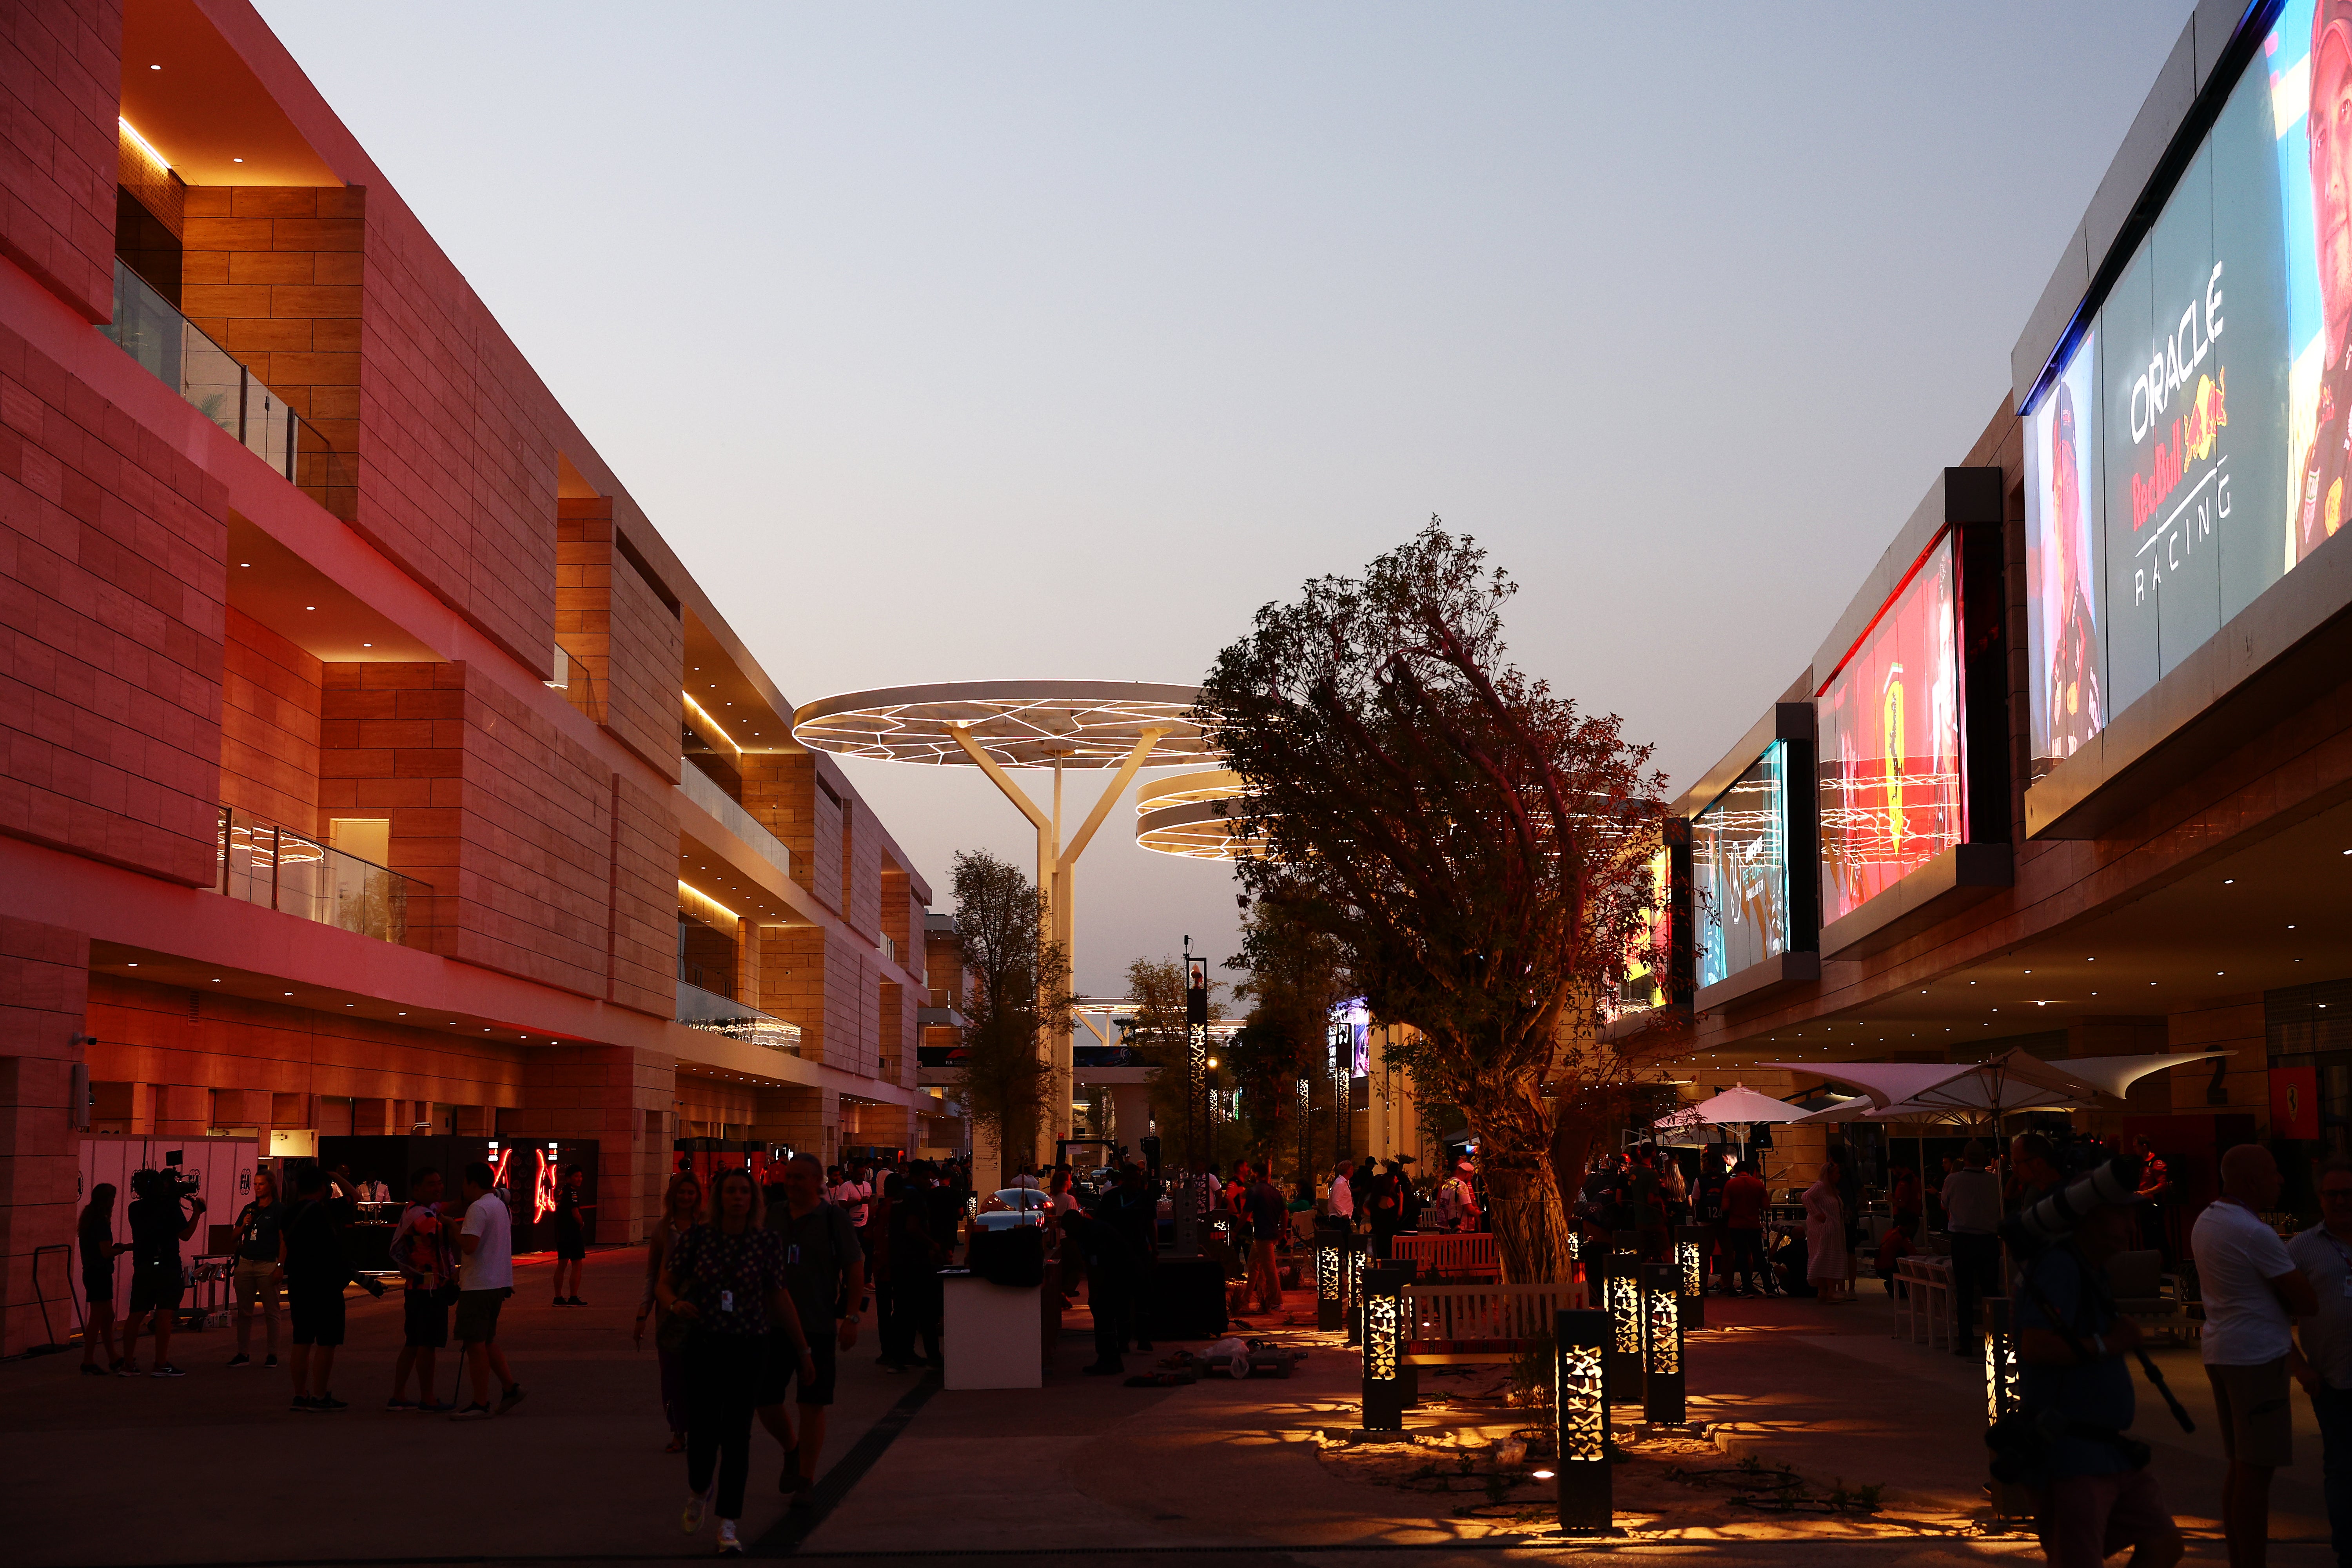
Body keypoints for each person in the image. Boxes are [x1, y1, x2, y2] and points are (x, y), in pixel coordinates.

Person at [2014, 1189, 2182, 1568]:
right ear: (2089, 1219)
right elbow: (2036, 1345)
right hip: (2072, 1452)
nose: (2131, 1226)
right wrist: (2110, 1343)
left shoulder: (2093, 1268)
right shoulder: (2060, 1266)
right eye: (2120, 1215)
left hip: (2110, 1450)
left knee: (2164, 1543)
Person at [660, 1166, 816, 1558]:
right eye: (730, 1191)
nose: (737, 1198)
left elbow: (779, 1297)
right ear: (719, 1197)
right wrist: (674, 1303)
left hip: (749, 1346)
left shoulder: (765, 1242)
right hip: (705, 1345)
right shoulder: (698, 1238)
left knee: (737, 1438)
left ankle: (728, 1525)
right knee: (704, 1431)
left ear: (754, 1200)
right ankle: (699, 1489)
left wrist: (803, 1349)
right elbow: (666, 1282)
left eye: (744, 1192)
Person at [2194, 1143, 2318, 1568]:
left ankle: (2240, 1560)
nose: (2281, 1179)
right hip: (2256, 1358)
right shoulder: (2254, 1232)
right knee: (2257, 1472)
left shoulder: (2207, 1220)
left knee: (2240, 1466)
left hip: (2221, 1348)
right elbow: (2307, 1299)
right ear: (2251, 1182)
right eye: (2272, 1172)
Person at [761, 1152, 866, 1503]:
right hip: (773, 1323)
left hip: (818, 1324)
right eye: (788, 1177)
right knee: (765, 1397)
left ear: (818, 1181)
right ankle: (791, 1447)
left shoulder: (833, 1218)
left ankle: (805, 1477)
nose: (791, 1183)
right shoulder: (773, 1214)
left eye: (800, 1178)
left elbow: (854, 1268)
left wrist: (851, 1317)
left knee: (812, 1403)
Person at [282, 1162, 385, 1412]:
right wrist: (335, 1175)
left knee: (302, 1340)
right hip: (326, 1284)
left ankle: (300, 1395)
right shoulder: (325, 1210)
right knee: (327, 1341)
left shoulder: (288, 1213)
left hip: (299, 1282)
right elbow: (355, 1196)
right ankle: (319, 1395)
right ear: (323, 1188)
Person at [2291, 1155, 2352, 1568]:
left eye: (2349, 1193)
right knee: (2344, 1469)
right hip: (2334, 1379)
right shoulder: (2302, 1248)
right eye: (2333, 1194)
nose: (2342, 1201)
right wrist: (2301, 1368)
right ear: (2320, 1198)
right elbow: (2272, 1314)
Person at [452, 1160, 524, 1421]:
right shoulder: (499, 1206)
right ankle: (510, 1388)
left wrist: (452, 1228)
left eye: (464, 1183)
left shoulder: (478, 1208)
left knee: (475, 1344)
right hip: (497, 1282)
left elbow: (470, 1245)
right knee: (487, 1340)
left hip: (479, 1286)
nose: (463, 1188)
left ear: (473, 1183)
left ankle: (480, 1402)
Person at [637, 1172, 704, 1450]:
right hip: (669, 1311)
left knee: (700, 1373)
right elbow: (652, 1274)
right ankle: (678, 1431)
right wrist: (643, 1311)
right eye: (682, 1192)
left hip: (701, 1308)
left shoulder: (707, 1227)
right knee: (672, 1375)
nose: (686, 1197)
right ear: (673, 1196)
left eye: (691, 1193)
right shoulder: (662, 1230)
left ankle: (701, 1428)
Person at [119, 1164, 204, 1378]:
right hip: (166, 1266)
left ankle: (128, 1364)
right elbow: (185, 1235)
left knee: (135, 1316)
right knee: (165, 1316)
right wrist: (197, 1214)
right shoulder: (170, 1208)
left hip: (143, 1266)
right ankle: (160, 1364)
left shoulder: (134, 1209)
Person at [389, 1166, 459, 1412]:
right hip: (428, 1288)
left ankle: (398, 1396)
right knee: (427, 1345)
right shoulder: (422, 1217)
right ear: (417, 1189)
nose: (438, 1187)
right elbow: (451, 1235)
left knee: (413, 1342)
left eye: (439, 1183)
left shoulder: (421, 1209)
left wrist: (462, 1202)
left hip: (418, 1287)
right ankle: (428, 1397)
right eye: (431, 1184)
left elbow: (444, 1207)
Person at [1944, 1142, 2004, 1358]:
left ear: (1964, 1157)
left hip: (1963, 1241)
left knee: (1965, 1292)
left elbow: (1945, 1203)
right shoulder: (1994, 1182)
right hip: (1988, 1241)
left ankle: (1966, 1341)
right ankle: (1996, 1339)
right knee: (1991, 1291)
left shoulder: (1953, 1180)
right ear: (1986, 1159)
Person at [1065, 1202, 1134, 1376]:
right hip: (1114, 1272)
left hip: (1116, 1273)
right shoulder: (1088, 1231)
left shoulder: (1092, 1234)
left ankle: (1110, 1358)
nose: (1068, 1235)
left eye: (1068, 1230)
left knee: (1104, 1313)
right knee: (1105, 1314)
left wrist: (1096, 1292)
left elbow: (1098, 1265)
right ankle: (1109, 1357)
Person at [227, 1167, 286, 1369]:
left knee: (272, 1312)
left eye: (261, 1184)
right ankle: (243, 1353)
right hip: (246, 1263)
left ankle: (272, 1354)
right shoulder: (249, 1209)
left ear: (271, 1185)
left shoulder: (279, 1210)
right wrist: (244, 1224)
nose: (257, 1188)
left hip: (267, 1264)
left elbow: (283, 1241)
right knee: (245, 1313)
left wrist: (280, 1266)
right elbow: (234, 1237)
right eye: (255, 1184)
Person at [77, 1183, 129, 1376]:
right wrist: (124, 1249)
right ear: (108, 1200)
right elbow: (106, 1252)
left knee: (108, 1316)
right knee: (98, 1318)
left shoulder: (90, 1219)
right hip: (99, 1273)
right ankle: (88, 1361)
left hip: (93, 1272)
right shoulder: (101, 1222)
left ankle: (113, 1358)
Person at [1803, 1162, 1849, 1303]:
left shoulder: (1830, 1190)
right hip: (1823, 1228)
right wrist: (1818, 1215)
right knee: (1825, 1256)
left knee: (1824, 1257)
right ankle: (1829, 1291)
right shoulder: (1820, 1186)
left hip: (1830, 1227)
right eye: (1836, 1173)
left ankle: (1824, 1292)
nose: (1839, 1176)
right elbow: (1806, 1197)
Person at [1243, 1165, 1286, 1315]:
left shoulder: (1254, 1191)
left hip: (1263, 1235)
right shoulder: (1275, 1192)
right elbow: (1285, 1212)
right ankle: (1245, 1299)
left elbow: (1246, 1214)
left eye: (1252, 1172)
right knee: (1253, 1264)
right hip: (1268, 1235)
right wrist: (1282, 1232)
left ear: (1257, 1174)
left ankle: (1277, 1302)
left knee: (1270, 1269)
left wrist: (1236, 1230)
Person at [1722, 1159, 1769, 1296]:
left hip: (1736, 1225)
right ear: (1749, 1171)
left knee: (1741, 1256)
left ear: (1736, 1171)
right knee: (1759, 1255)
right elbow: (1766, 1206)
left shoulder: (1730, 1185)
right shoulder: (1758, 1184)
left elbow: (1725, 1207)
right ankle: (1769, 1287)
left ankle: (1747, 1287)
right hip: (1754, 1224)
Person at [552, 1164, 592, 1307]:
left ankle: (558, 1298)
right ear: (568, 1178)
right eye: (576, 1176)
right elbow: (575, 1212)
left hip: (561, 1233)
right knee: (577, 1264)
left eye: (581, 1176)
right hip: (572, 1233)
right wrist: (581, 1223)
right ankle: (573, 1296)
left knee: (562, 1264)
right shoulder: (573, 1193)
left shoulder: (561, 1191)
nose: (580, 1179)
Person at [2011, 1133, 2066, 1210]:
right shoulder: (2048, 1193)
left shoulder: (2060, 1200)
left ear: (2038, 1162)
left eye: (2018, 1164)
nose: (2014, 1170)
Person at [1875, 1215, 1917, 1294]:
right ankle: (1894, 1287)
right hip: (1889, 1269)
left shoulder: (1891, 1232)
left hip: (1879, 1267)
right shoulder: (1902, 1237)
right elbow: (1914, 1254)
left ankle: (1893, 1285)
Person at [1328, 1160, 1354, 1229]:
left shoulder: (1345, 1182)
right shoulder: (1340, 1183)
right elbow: (1336, 1201)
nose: (1353, 1171)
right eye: (1351, 1169)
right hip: (1339, 1217)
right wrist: (1344, 1213)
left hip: (1345, 1216)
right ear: (1347, 1171)